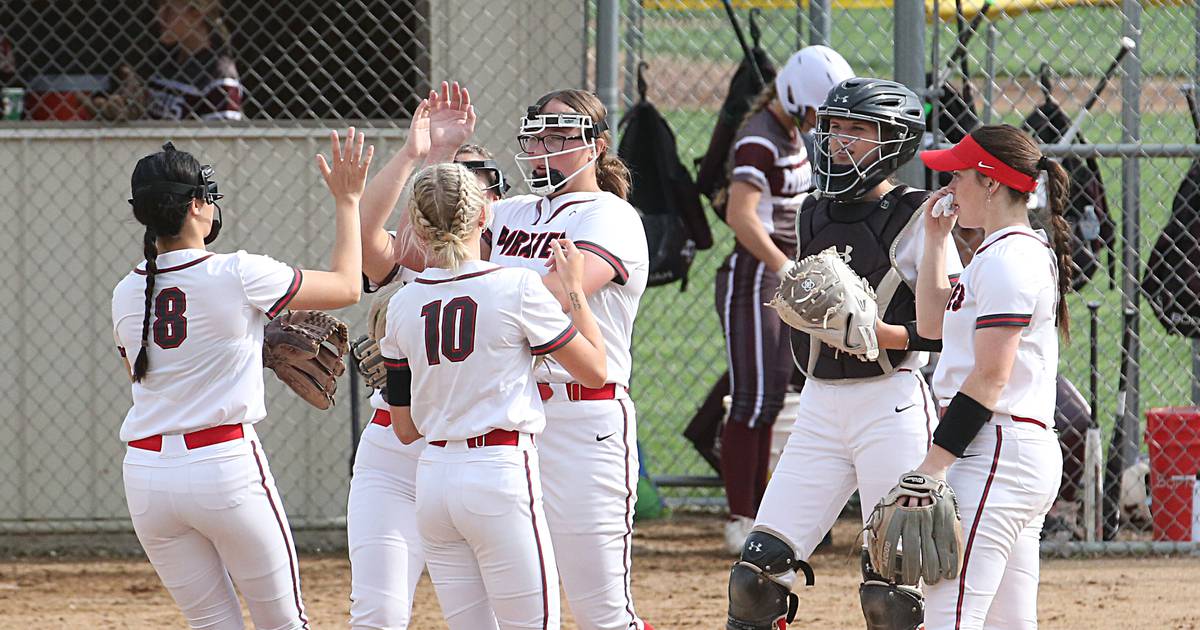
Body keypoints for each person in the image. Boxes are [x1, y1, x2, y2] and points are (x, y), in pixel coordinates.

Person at [724, 78, 963, 630]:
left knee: (891, 589)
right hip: (819, 408)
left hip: (890, 406)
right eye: (832, 128)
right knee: (754, 577)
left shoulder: (916, 215)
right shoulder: (814, 211)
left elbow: (948, 328)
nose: (837, 141)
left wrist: (883, 333)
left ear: (894, 142)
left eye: (857, 131)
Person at [112, 129, 373, 629]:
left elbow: (151, 374)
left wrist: (246, 346)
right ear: (194, 207)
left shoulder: (127, 290)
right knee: (283, 622)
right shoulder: (237, 271)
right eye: (207, 197)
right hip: (223, 465)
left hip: (147, 478)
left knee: (213, 624)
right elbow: (346, 288)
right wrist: (348, 201)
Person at [378, 162, 609, 630]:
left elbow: (404, 429)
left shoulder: (400, 305)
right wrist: (575, 293)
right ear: (486, 216)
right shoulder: (516, 286)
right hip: (500, 473)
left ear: (417, 228)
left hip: (435, 480)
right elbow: (595, 372)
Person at [347, 86, 511, 630]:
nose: (450, 197)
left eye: (464, 185)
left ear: (491, 205)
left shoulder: (518, 273)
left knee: (483, 618)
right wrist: (419, 154)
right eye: (439, 189)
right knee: (378, 613)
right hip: (394, 449)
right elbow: (367, 236)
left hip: (476, 456)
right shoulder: (416, 258)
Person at [912, 124, 1072, 629]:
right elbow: (932, 325)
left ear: (990, 182)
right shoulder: (998, 253)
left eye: (958, 175)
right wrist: (936, 242)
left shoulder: (1009, 260)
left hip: (995, 451)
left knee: (948, 618)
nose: (949, 187)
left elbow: (989, 379)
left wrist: (932, 467)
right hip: (1009, 453)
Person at [715, 45, 854, 555]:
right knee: (753, 397)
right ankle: (741, 514)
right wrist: (784, 267)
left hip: (783, 277)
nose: (823, 122)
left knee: (773, 396)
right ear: (795, 97)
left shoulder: (791, 133)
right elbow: (741, 214)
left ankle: (759, 510)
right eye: (819, 110)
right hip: (757, 275)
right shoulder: (760, 138)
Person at [144, 0, 243, 121]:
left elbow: (222, 136)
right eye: (159, 7)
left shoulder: (218, 73)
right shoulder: (163, 60)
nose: (158, 17)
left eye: (169, 10)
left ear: (197, 13)